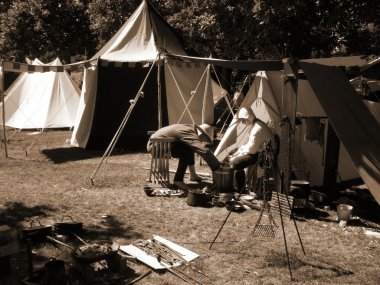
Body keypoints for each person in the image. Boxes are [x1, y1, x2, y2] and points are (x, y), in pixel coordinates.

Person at [147, 123, 220, 191]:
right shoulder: (189, 132)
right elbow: (203, 150)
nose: (203, 140)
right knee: (187, 151)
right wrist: (217, 166)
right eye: (204, 138)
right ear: (201, 134)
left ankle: (193, 175)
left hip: (161, 143)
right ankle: (178, 180)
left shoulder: (188, 128)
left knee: (189, 147)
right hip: (156, 145)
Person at [227, 107, 277, 194]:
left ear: (248, 117)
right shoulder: (254, 125)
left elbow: (251, 149)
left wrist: (237, 155)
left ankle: (241, 190)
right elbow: (249, 144)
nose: (242, 122)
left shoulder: (257, 128)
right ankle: (240, 187)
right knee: (234, 155)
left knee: (236, 163)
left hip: (266, 155)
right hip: (258, 151)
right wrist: (238, 151)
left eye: (243, 119)